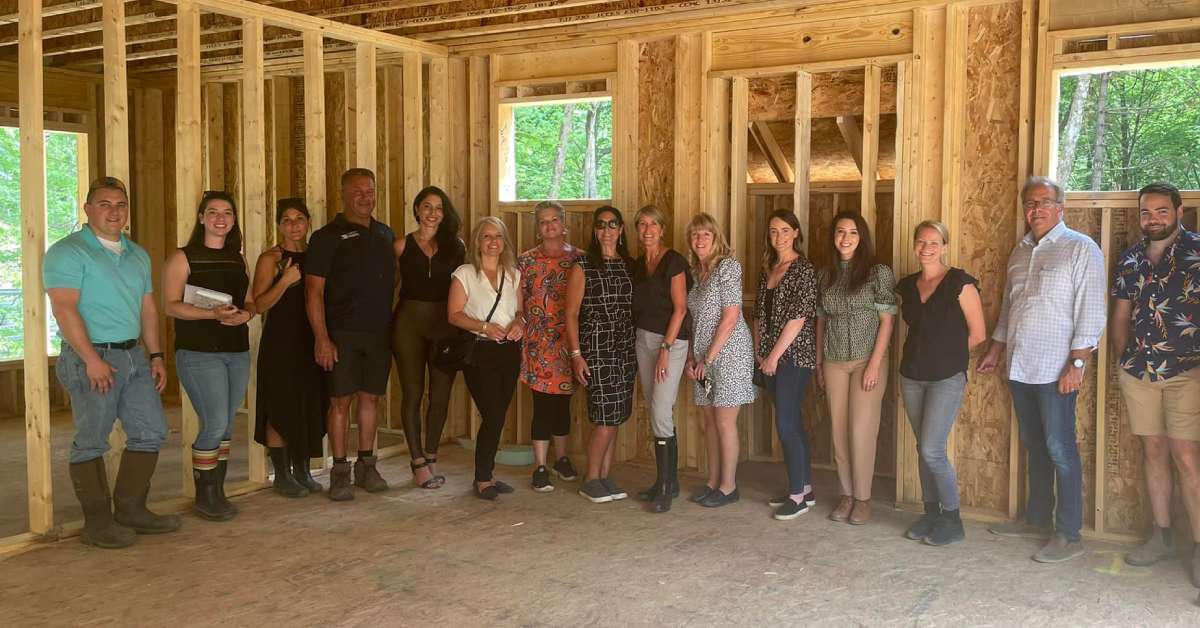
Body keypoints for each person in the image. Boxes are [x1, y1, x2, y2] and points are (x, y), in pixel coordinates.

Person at [45, 176, 181, 548]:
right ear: (88, 209)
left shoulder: (137, 254)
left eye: (120, 204)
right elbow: (64, 307)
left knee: (151, 431)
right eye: (104, 204)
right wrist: (91, 359)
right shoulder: (69, 252)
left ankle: (131, 510)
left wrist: (155, 355)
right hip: (92, 356)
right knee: (92, 440)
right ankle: (97, 523)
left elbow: (147, 308)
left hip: (133, 356)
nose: (114, 211)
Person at [979, 176, 1105, 563]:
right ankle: (1036, 518)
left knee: (1060, 449)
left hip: (1057, 370)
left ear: (1060, 207)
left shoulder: (1080, 248)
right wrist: (996, 349)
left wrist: (1078, 363)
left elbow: (1092, 311)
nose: (1035, 209)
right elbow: (1010, 306)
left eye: (1043, 202)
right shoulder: (1019, 252)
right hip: (1021, 366)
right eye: (1029, 204)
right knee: (1034, 446)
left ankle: (1069, 534)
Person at [1110, 182, 1200, 586]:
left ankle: (1198, 547)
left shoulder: (1197, 252)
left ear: (1179, 211)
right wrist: (1121, 361)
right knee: (1154, 450)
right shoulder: (1130, 258)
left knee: (1185, 455)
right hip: (1139, 371)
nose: (1153, 219)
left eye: (1162, 211)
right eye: (1147, 212)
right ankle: (1161, 535)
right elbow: (1122, 314)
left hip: (1187, 371)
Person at [164, 190, 255, 521]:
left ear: (233, 220)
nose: (221, 218)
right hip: (199, 353)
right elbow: (170, 305)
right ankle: (205, 495)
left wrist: (246, 315)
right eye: (213, 212)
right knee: (215, 422)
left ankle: (218, 490)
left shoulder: (238, 258)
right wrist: (212, 315)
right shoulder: (183, 257)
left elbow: (250, 301)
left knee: (227, 423)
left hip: (236, 352)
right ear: (201, 218)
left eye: (227, 212)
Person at [305, 168, 395, 501]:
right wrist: (322, 338)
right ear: (343, 194)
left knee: (370, 399)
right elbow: (313, 292)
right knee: (340, 401)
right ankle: (339, 471)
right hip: (340, 334)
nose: (365, 197)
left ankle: (367, 465)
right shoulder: (326, 237)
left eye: (370, 191)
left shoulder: (385, 234)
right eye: (357, 191)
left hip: (377, 334)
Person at [895, 220, 986, 545]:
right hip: (912, 376)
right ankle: (931, 512)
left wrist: (945, 357)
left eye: (934, 242)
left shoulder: (959, 283)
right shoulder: (906, 286)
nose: (927, 248)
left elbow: (978, 334)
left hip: (946, 378)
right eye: (921, 242)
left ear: (944, 246)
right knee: (923, 449)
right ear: (915, 245)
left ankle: (952, 518)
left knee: (933, 449)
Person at [815, 210, 896, 525]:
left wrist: (875, 364)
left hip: (867, 358)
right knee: (838, 430)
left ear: (861, 238)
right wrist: (820, 364)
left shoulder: (877, 273)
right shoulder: (826, 275)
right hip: (835, 359)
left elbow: (887, 321)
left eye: (852, 233)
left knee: (861, 431)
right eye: (839, 232)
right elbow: (821, 320)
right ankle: (846, 494)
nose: (845, 238)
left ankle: (863, 498)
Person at [250, 198, 325, 497]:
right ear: (279, 225)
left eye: (299, 219)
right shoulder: (271, 259)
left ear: (308, 223)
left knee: (307, 401)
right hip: (281, 340)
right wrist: (284, 281)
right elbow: (258, 304)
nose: (294, 225)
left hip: (312, 339)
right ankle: (281, 474)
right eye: (287, 219)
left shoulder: (317, 256)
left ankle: (302, 470)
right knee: (279, 404)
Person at [392, 186, 465, 489]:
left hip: (445, 325)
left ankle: (432, 455)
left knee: (440, 396)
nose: (433, 213)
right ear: (417, 210)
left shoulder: (456, 247)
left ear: (444, 213)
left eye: (438, 208)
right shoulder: (399, 246)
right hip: (407, 324)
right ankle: (417, 461)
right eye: (427, 206)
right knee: (413, 394)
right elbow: (389, 286)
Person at [448, 217, 524, 500]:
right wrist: (484, 327)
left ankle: (487, 475)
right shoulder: (465, 273)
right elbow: (453, 314)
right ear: (477, 242)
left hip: (508, 351)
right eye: (486, 236)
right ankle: (482, 478)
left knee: (498, 415)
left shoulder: (513, 274)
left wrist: (519, 324)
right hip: (479, 351)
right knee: (493, 414)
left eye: (498, 236)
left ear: (505, 242)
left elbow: (520, 312)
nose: (493, 242)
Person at [684, 212, 755, 508]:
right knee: (709, 422)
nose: (700, 239)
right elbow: (693, 319)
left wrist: (708, 359)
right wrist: (692, 356)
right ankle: (713, 481)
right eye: (695, 235)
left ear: (716, 239)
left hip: (729, 354)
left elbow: (730, 316)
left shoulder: (728, 267)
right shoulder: (696, 274)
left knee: (725, 422)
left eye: (706, 234)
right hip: (703, 356)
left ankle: (728, 486)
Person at [567, 206, 637, 504]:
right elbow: (570, 314)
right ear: (595, 230)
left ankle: (605, 476)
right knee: (605, 416)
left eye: (612, 224)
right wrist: (575, 355)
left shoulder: (631, 265)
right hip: (596, 348)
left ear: (621, 230)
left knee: (618, 413)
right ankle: (591, 478)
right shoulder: (583, 265)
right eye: (601, 225)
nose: (607, 229)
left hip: (626, 348)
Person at [753, 210, 818, 521]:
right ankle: (804, 487)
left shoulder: (803, 269)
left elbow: (798, 319)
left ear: (795, 233)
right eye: (772, 231)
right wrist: (758, 353)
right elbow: (758, 316)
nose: (777, 236)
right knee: (791, 422)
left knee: (786, 424)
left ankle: (797, 498)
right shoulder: (767, 269)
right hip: (768, 359)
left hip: (793, 357)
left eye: (783, 231)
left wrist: (774, 357)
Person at [517, 201, 582, 493]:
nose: (549, 226)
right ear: (537, 226)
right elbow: (519, 302)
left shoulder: (580, 259)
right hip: (538, 345)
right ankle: (540, 465)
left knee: (562, 405)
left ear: (564, 222)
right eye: (543, 221)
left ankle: (562, 458)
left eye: (554, 220)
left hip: (569, 343)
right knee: (541, 406)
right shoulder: (526, 261)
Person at [631, 205, 692, 513]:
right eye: (642, 224)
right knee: (659, 408)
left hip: (671, 342)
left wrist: (666, 349)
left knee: (658, 409)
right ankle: (666, 481)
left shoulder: (674, 261)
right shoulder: (639, 263)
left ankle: (666, 489)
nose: (647, 229)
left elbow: (680, 309)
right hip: (643, 339)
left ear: (663, 229)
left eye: (653, 223)